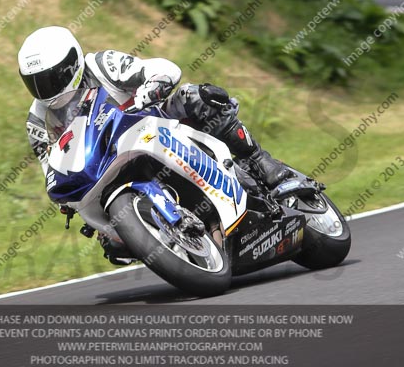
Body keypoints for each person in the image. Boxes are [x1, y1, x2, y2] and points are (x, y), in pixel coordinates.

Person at [18, 26, 289, 261]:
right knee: (115, 247)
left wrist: (154, 85)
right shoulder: (37, 121)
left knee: (195, 97)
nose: (46, 91)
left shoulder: (102, 64)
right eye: (35, 84)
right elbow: (50, 167)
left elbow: (162, 68)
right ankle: (176, 239)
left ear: (72, 64)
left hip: (152, 124)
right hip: (102, 167)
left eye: (51, 79)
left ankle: (257, 159)